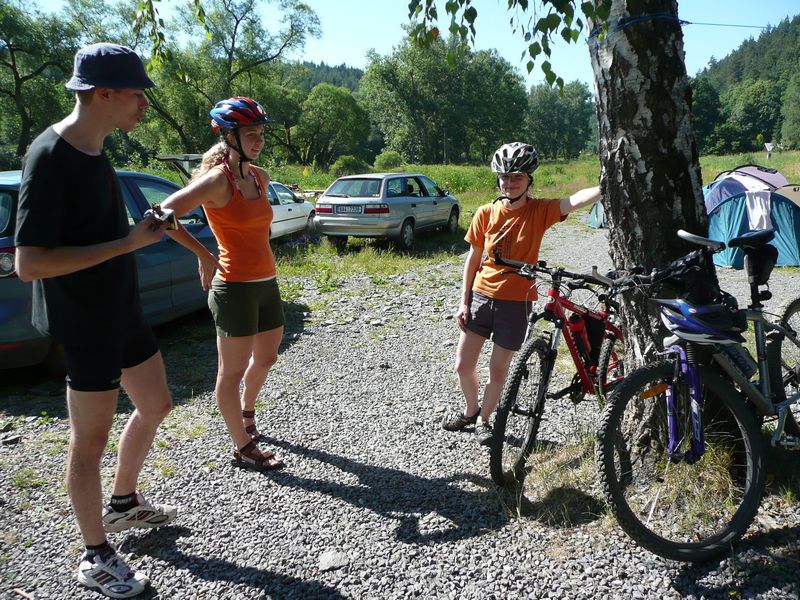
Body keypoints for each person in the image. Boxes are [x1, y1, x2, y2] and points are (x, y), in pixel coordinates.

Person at [14, 43, 177, 598]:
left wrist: (139, 232)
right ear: (102, 93)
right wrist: (125, 244)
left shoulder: (95, 147)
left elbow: (96, 234)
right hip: (83, 322)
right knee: (89, 445)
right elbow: (29, 263)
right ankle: (94, 555)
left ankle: (124, 504)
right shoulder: (49, 156)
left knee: (156, 403)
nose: (144, 106)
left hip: (122, 309)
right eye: (137, 95)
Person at [442, 142, 601, 446]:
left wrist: (604, 185)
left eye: (517, 177)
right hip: (481, 296)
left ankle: (485, 421)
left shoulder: (539, 211)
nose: (510, 183)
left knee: (498, 369)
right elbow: (473, 260)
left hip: (516, 303)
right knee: (463, 366)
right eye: (504, 177)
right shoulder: (486, 213)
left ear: (529, 179)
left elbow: (573, 201)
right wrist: (463, 301)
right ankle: (471, 410)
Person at [159, 96, 285, 472]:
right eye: (250, 134)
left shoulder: (260, 177)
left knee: (266, 357)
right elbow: (161, 213)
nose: (258, 140)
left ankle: (247, 412)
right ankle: (243, 446)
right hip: (233, 287)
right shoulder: (216, 182)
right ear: (229, 136)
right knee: (230, 373)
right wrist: (203, 254)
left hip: (267, 283)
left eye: (261, 133)